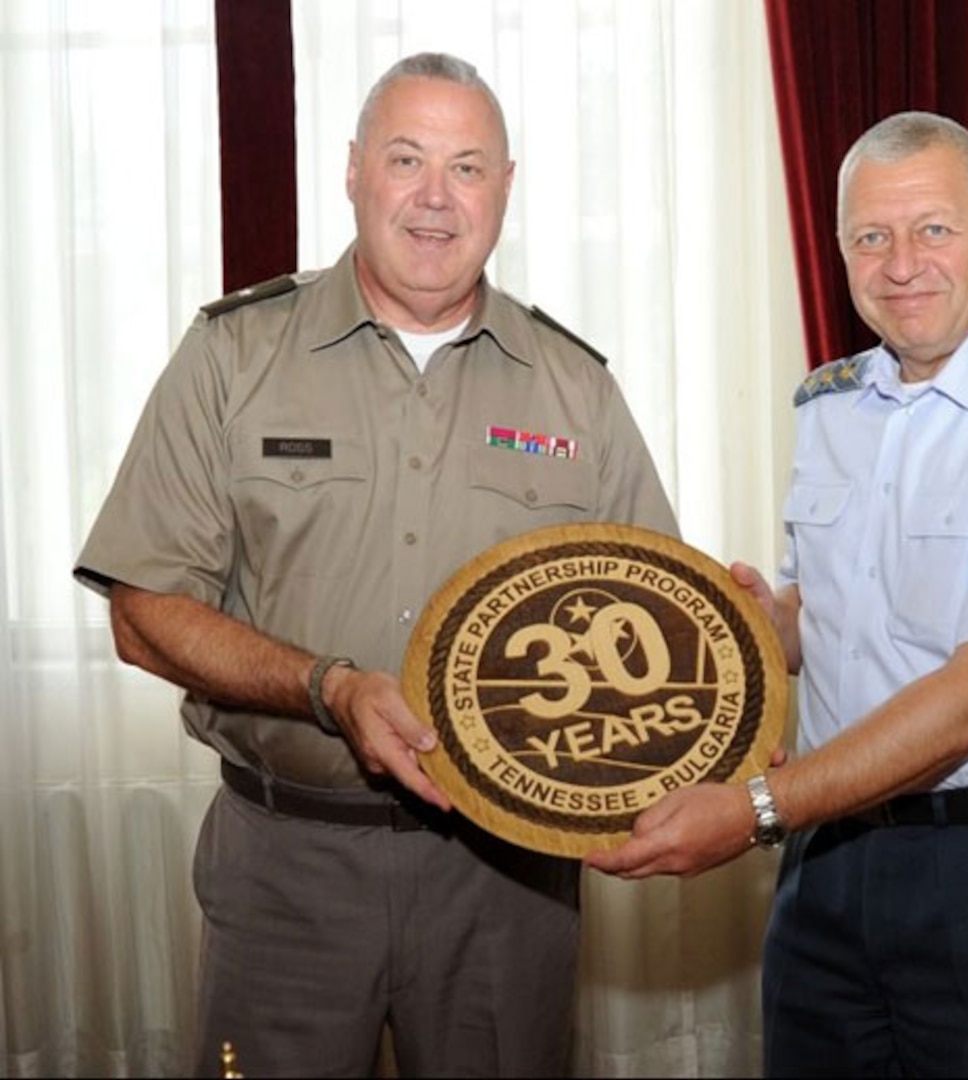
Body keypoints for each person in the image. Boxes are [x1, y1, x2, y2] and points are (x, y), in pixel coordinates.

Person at [74, 52, 676, 1078]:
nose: (436, 198)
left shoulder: (578, 390)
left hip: (506, 883)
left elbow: (653, 631)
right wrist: (328, 688)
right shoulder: (232, 356)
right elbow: (144, 611)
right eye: (407, 160)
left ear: (506, 189)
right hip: (286, 871)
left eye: (468, 168)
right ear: (353, 172)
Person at [587, 110, 968, 1078]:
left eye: (933, 229)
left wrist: (759, 808)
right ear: (840, 248)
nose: (901, 264)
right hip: (830, 857)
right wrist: (753, 624)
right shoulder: (829, 406)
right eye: (869, 237)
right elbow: (826, 619)